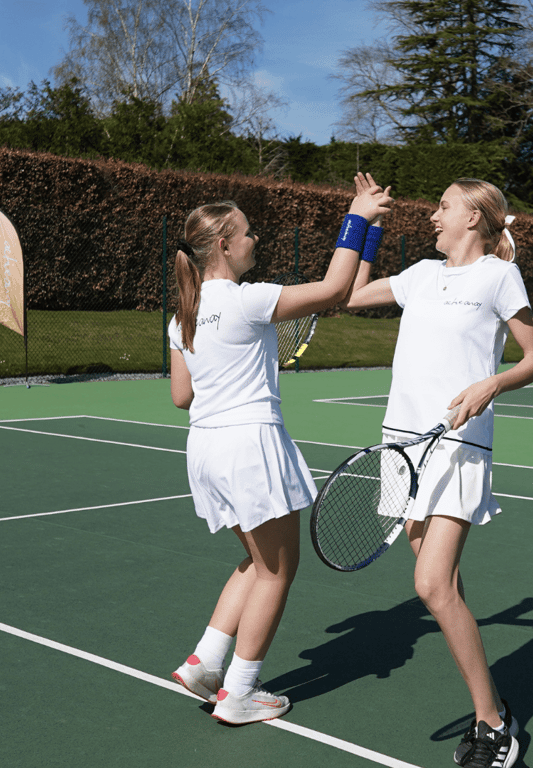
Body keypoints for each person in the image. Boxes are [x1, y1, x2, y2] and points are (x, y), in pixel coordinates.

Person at [167, 174, 393, 725]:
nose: (255, 240)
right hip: (250, 446)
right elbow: (338, 290)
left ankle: (205, 661)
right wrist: (359, 218)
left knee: (256, 561)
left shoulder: (184, 315)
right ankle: (240, 693)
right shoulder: (249, 301)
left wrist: (371, 229)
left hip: (205, 450)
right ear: (223, 244)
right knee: (276, 572)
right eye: (247, 233)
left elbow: (181, 396)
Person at [341, 179, 533, 767]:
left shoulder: (498, 277)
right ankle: (493, 703)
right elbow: (353, 295)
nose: (433, 215)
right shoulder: (420, 275)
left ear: (475, 219)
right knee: (446, 589)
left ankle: (494, 723)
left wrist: (492, 382)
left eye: (444, 207)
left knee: (431, 585)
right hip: (402, 443)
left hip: (458, 445)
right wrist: (370, 224)